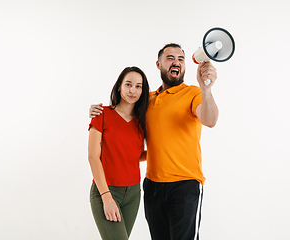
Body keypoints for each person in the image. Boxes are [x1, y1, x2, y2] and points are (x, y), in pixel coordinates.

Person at [89, 43, 219, 240]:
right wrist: (97, 112)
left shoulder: (193, 93)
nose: (176, 62)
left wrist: (206, 89)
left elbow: (210, 120)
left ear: (185, 66)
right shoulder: (146, 101)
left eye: (181, 59)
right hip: (153, 187)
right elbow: (121, 121)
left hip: (184, 185)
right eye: (170, 58)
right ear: (158, 64)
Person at [88, 66, 150, 240]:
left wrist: (161, 150)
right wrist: (106, 197)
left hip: (133, 194)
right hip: (106, 190)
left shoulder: (142, 121)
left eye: (138, 86)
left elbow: (135, 156)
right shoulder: (102, 114)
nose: (133, 90)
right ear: (119, 86)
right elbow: (93, 157)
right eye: (128, 84)